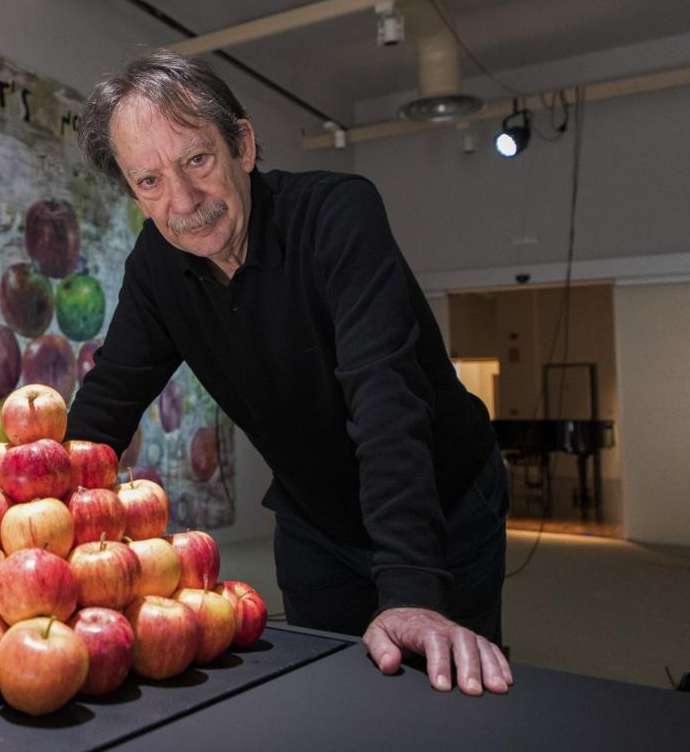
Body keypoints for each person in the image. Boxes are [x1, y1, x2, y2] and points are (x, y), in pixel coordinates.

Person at [65, 49, 513, 696]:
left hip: (440, 504)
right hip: (314, 520)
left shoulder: (337, 215)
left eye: (197, 160)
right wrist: (32, 530)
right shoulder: (157, 267)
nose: (184, 201)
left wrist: (412, 587)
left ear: (243, 144)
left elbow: (385, 397)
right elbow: (106, 403)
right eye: (149, 181)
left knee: (446, 699)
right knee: (327, 701)